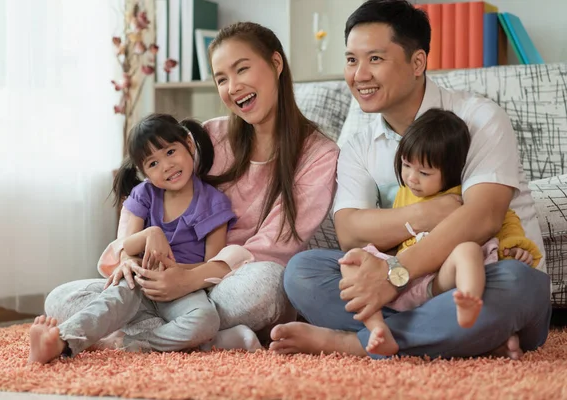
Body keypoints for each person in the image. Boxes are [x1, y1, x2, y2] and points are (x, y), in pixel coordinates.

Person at [270, 0, 551, 360]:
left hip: (483, 277)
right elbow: (351, 232)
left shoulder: (479, 118)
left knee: (517, 283)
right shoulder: (358, 144)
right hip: (410, 290)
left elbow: (482, 217)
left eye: (375, 59)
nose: (359, 75)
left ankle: (349, 343)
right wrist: (427, 215)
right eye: (352, 60)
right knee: (302, 272)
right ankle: (465, 337)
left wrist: (393, 277)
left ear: (417, 62)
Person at [41, 21, 340, 357]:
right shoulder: (210, 136)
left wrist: (190, 279)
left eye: (242, 69)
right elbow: (146, 191)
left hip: (231, 285)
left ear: (275, 63)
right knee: (60, 300)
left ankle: (145, 333)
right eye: (222, 79)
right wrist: (128, 255)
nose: (233, 87)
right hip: (163, 281)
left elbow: (275, 244)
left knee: (268, 283)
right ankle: (210, 337)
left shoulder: (319, 154)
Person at [29, 114, 237, 363]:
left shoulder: (213, 202)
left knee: (206, 320)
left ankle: (128, 342)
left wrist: (176, 274)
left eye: (170, 152)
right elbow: (125, 247)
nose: (166, 166)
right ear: (144, 172)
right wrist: (152, 234)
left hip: (183, 290)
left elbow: (210, 265)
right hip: (138, 284)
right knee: (64, 297)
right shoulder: (145, 195)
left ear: (189, 145)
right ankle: (61, 342)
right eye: (153, 163)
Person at [348, 108, 542, 356]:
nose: (411, 178)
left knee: (470, 251)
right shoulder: (403, 194)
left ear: (450, 171)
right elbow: (392, 242)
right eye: (406, 165)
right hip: (401, 284)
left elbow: (505, 220)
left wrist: (515, 246)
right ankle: (378, 328)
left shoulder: (463, 196)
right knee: (334, 262)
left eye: (424, 173)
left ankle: (468, 303)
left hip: (442, 281)